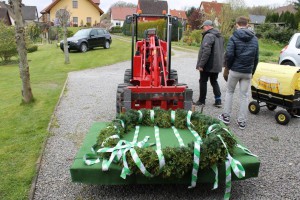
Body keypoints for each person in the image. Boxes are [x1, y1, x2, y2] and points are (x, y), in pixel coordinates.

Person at [218, 16, 259, 130]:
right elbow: (256, 58)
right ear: (247, 24)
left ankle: (226, 116)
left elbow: (229, 54)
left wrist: (228, 67)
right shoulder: (255, 39)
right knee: (244, 96)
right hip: (247, 72)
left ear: (237, 24)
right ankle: (242, 121)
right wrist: (252, 71)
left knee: (230, 92)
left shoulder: (234, 37)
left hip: (235, 70)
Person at [195, 20, 224, 108]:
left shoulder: (208, 35)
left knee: (203, 81)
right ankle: (218, 100)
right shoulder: (220, 36)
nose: (203, 29)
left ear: (208, 26)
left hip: (208, 64)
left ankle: (201, 100)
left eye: (203, 27)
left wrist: (201, 65)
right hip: (216, 64)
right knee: (214, 81)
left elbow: (206, 52)